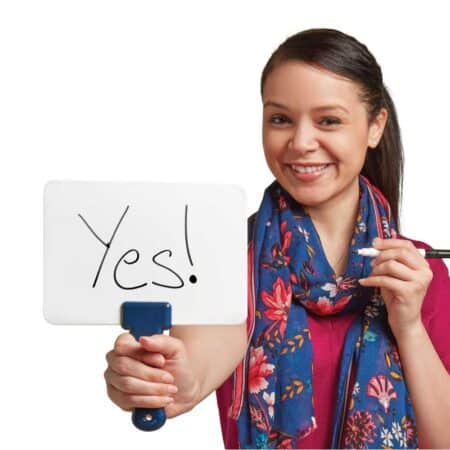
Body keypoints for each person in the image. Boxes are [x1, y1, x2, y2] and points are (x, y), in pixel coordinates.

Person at [103, 28, 450, 449]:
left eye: (329, 121)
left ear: (375, 127)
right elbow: (193, 370)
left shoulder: (417, 272)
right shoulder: (228, 258)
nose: (301, 143)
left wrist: (409, 325)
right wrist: (159, 381)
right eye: (280, 119)